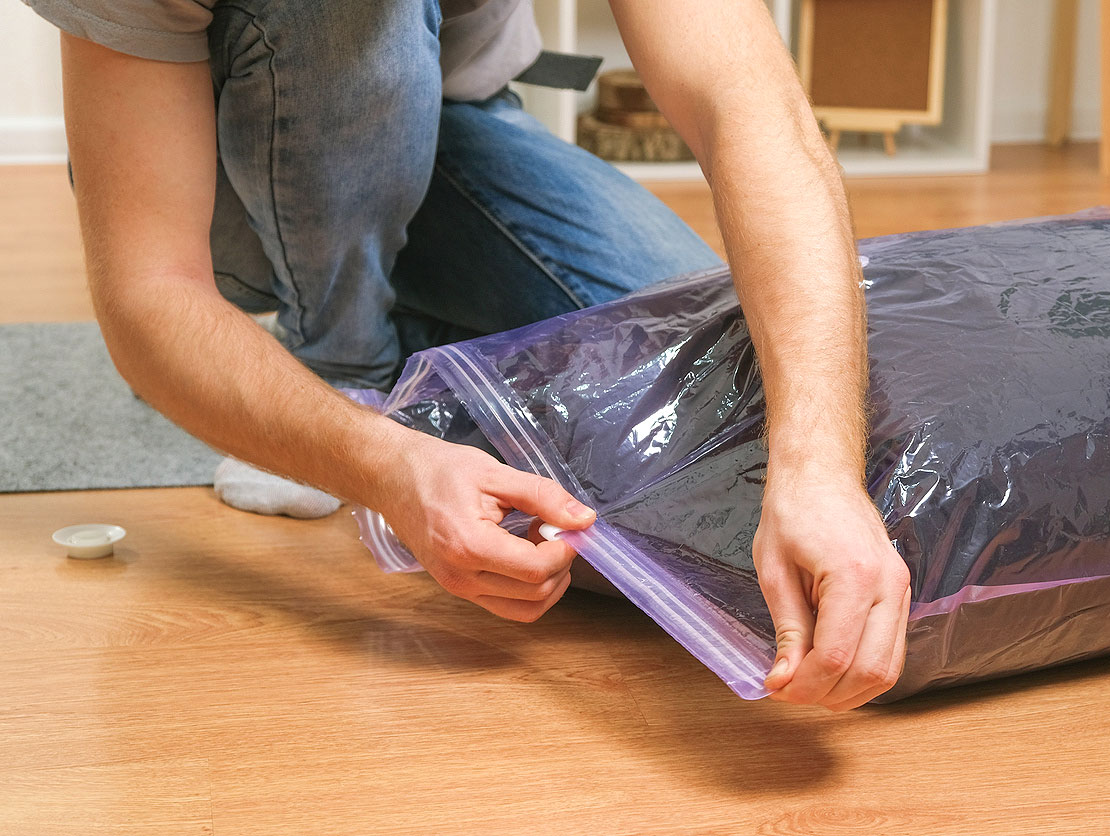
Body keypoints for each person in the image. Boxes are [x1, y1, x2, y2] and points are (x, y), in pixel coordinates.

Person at [32, 0, 910, 711]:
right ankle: (345, 358)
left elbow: (752, 109)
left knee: (693, 363)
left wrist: (821, 465)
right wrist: (385, 464)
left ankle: (421, 336)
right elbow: (149, 294)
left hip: (456, 125)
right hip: (223, 161)